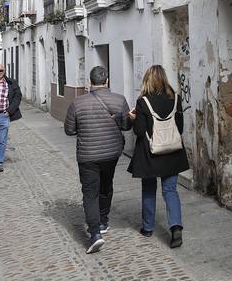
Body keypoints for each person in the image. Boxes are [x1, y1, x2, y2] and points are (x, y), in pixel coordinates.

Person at [62, 65, 131, 253]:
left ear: (89, 82)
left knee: (90, 192)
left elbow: (69, 130)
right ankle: (103, 221)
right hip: (111, 153)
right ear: (107, 81)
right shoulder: (119, 100)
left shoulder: (78, 103)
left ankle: (94, 233)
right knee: (106, 186)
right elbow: (126, 126)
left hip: (88, 155)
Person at [128, 64, 189, 248]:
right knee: (170, 190)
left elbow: (139, 131)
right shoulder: (176, 99)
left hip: (150, 153)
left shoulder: (143, 102)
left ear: (148, 80)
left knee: (148, 189)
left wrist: (133, 118)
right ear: (164, 79)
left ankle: (147, 228)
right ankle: (176, 227)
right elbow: (180, 128)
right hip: (172, 152)